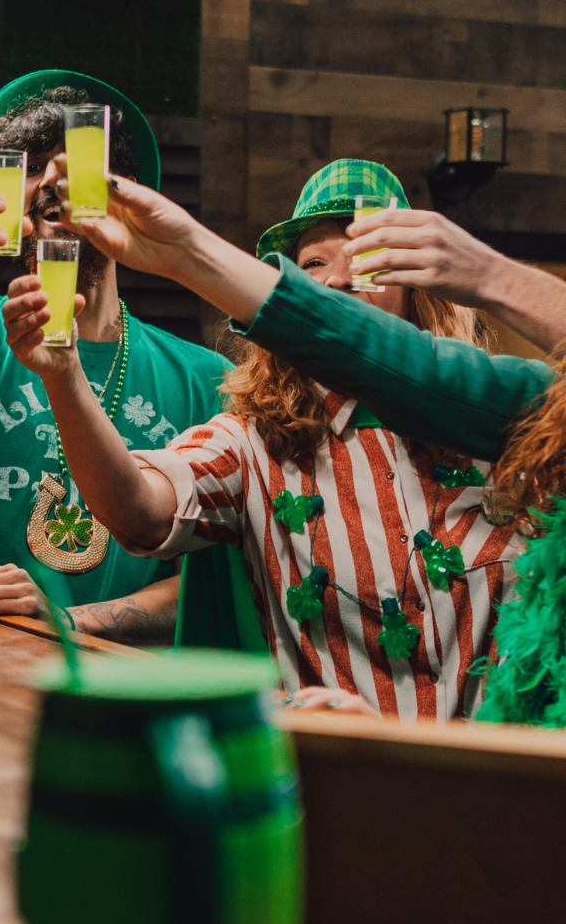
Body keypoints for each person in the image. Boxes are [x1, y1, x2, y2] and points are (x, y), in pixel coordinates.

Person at [41, 159, 566, 723]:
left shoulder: (517, 426)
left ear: (420, 287)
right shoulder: (253, 443)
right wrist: (64, 375)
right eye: (314, 264)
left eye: (368, 259)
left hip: (511, 788)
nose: (337, 280)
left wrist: (493, 276)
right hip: (338, 778)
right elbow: (137, 511)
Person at [0, 71, 235, 644]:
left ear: (124, 194)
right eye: (25, 182)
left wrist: (65, 623)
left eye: (64, 177)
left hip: (128, 694)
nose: (43, 201)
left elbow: (211, 581)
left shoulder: (207, 379)